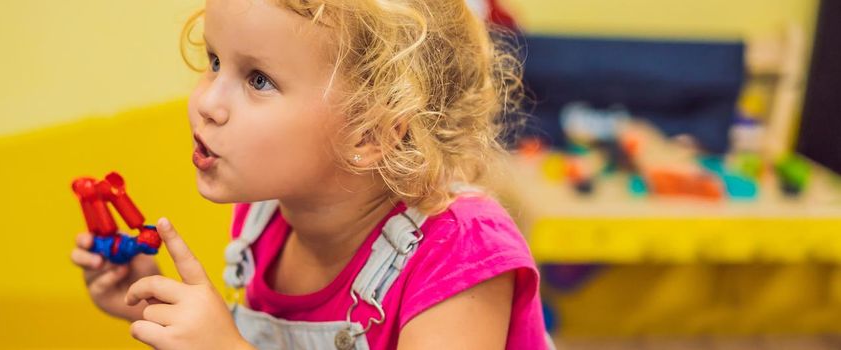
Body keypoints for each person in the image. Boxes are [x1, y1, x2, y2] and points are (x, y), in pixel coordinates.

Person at [70, 0, 547, 348]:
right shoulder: (264, 216)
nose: (208, 103)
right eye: (215, 62)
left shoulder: (462, 254)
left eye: (259, 80)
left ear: (369, 134)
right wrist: (157, 306)